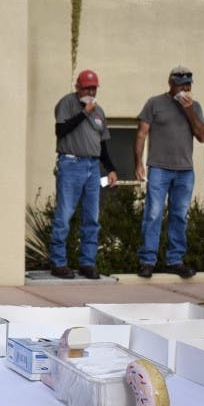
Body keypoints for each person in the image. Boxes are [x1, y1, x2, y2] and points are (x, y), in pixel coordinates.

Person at [133, 66, 204, 279]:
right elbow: (141, 134)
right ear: (170, 84)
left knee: (179, 216)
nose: (184, 89)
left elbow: (203, 136)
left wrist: (189, 110)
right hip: (158, 167)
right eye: (180, 85)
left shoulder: (196, 107)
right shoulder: (154, 103)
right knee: (154, 214)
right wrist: (139, 163)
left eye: (188, 85)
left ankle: (175, 260)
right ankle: (147, 260)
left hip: (185, 170)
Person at [48, 69, 118, 279]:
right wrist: (84, 113)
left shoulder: (99, 111)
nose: (91, 91)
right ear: (78, 87)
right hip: (71, 163)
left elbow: (102, 143)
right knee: (65, 214)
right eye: (87, 87)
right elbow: (61, 131)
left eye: (94, 88)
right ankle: (58, 262)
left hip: (92, 165)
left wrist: (111, 168)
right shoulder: (66, 103)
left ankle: (87, 263)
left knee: (91, 217)